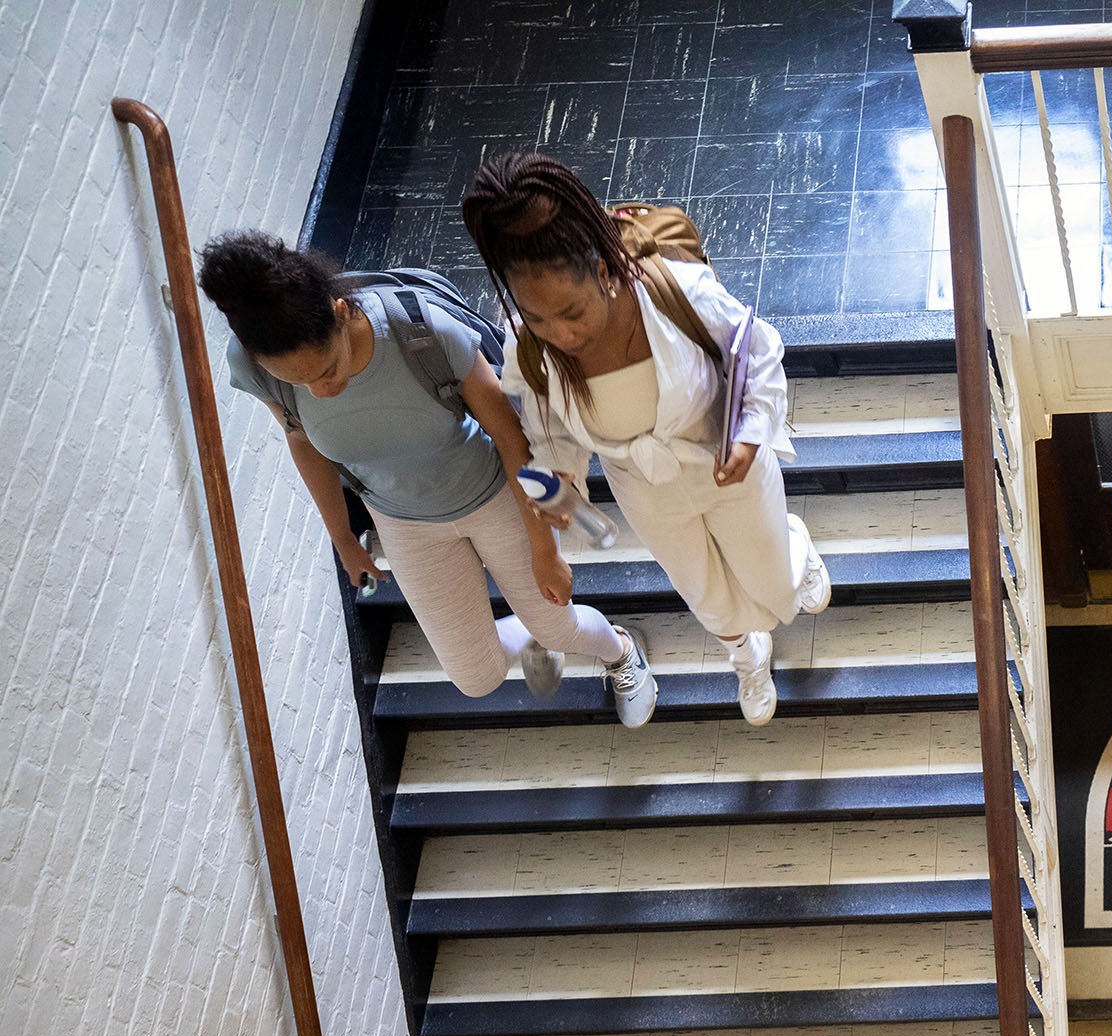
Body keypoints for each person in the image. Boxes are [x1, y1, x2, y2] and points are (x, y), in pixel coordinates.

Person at [199, 232, 655, 723]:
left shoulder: (421, 331)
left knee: (561, 628)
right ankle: (531, 633)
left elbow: (510, 439)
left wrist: (544, 547)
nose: (321, 391)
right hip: (403, 521)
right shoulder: (255, 366)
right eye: (300, 382)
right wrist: (344, 539)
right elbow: (301, 441)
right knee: (476, 679)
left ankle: (621, 651)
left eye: (328, 369)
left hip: (491, 494)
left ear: (340, 311)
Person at [459, 153, 830, 726]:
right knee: (707, 598)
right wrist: (561, 484)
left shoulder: (674, 291)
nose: (561, 334)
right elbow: (549, 433)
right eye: (538, 319)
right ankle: (745, 654)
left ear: (605, 272)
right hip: (645, 490)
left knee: (772, 586)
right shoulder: (528, 351)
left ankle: (795, 545)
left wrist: (753, 439)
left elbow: (759, 351)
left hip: (723, 461)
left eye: (571, 311)